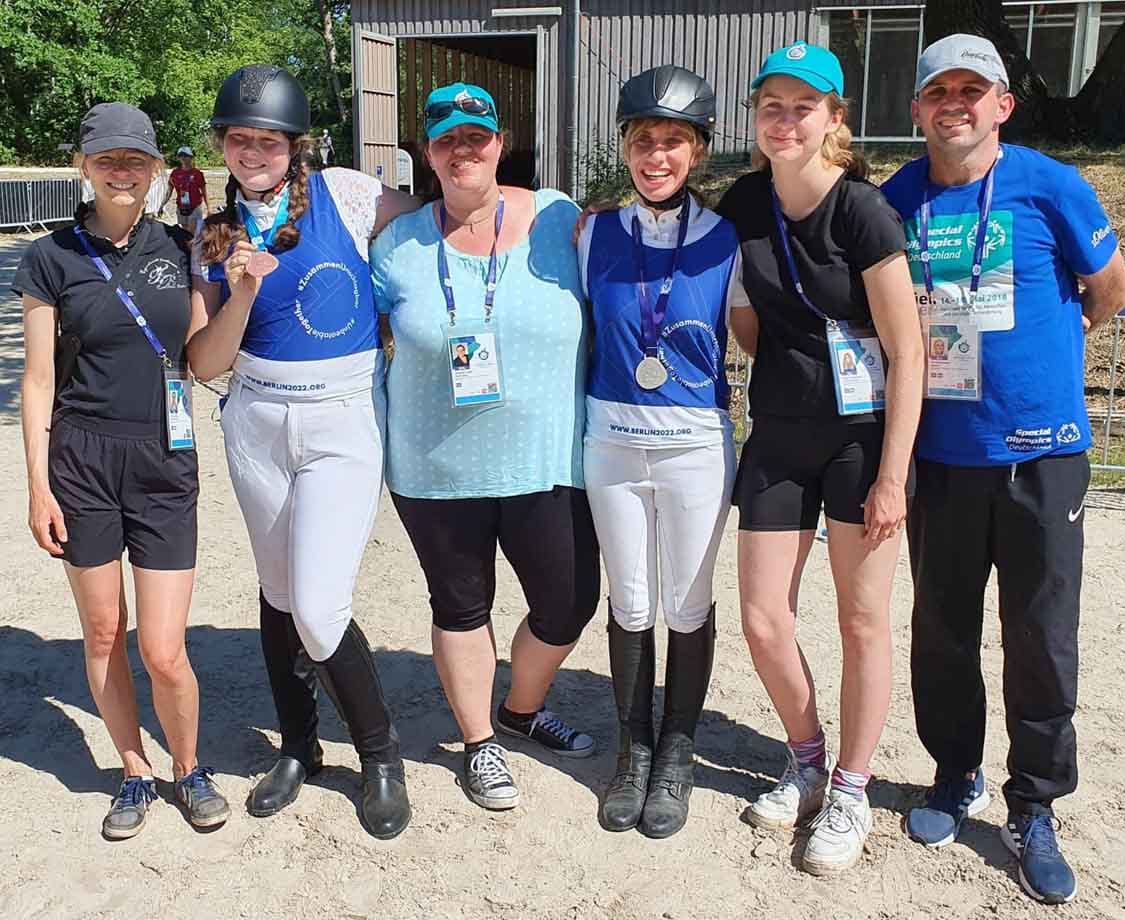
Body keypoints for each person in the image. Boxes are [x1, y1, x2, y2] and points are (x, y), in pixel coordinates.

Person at [882, 35, 1125, 905]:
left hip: (1043, 457)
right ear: (916, 109)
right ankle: (956, 773)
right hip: (943, 462)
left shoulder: (1049, 184)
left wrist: (1050, 363)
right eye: (937, 90)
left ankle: (1035, 805)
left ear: (1002, 105)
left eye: (971, 90)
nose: (954, 103)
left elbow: (1111, 287)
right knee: (941, 632)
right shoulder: (896, 200)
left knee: (1040, 637)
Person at [187, 64, 420, 840]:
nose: (253, 152)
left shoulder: (347, 194)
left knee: (319, 603)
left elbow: (428, 222)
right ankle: (298, 745)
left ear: (296, 146)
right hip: (256, 417)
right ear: (224, 145)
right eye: (239, 139)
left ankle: (380, 755)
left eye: (268, 141)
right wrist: (242, 292)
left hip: (342, 418)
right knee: (278, 590)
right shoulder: (210, 236)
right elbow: (205, 363)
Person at [716, 43, 924, 874]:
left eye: (805, 106)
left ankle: (852, 787)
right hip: (778, 434)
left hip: (858, 441)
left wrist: (892, 476)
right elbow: (736, 307)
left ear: (835, 119)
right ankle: (805, 759)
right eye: (772, 104)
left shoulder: (864, 212)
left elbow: (907, 353)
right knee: (764, 619)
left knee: (861, 620)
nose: (786, 119)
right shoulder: (741, 202)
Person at [371, 82, 600, 811]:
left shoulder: (560, 219)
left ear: (501, 143)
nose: (464, 149)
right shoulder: (399, 244)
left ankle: (522, 709)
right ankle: (479, 743)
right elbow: (350, 326)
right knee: (462, 605)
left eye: (478, 136)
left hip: (549, 458)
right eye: (447, 139)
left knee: (567, 603)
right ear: (428, 153)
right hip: (436, 465)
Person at [16, 102, 229, 839]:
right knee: (104, 631)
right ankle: (135, 769)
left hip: (164, 458)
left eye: (136, 160)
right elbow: (38, 380)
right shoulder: (50, 257)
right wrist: (39, 486)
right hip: (82, 460)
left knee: (162, 648)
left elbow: (204, 357)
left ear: (156, 169)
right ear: (84, 165)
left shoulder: (184, 247)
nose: (122, 171)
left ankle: (189, 766)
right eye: (108, 159)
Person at [577, 65, 740, 839]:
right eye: (644, 140)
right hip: (611, 439)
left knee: (687, 602)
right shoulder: (592, 232)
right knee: (631, 600)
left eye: (674, 141)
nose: (657, 155)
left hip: (693, 446)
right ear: (626, 147)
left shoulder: (728, 239)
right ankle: (632, 755)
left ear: (698, 151)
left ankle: (676, 754)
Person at [169, 146, 207, 235]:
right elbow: (169, 189)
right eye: (180, 156)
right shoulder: (175, 173)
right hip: (181, 207)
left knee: (191, 234)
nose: (183, 158)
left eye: (186, 156)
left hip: (195, 208)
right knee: (184, 233)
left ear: (191, 157)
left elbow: (204, 191)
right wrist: (161, 205)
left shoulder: (197, 174)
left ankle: (192, 248)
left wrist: (208, 208)